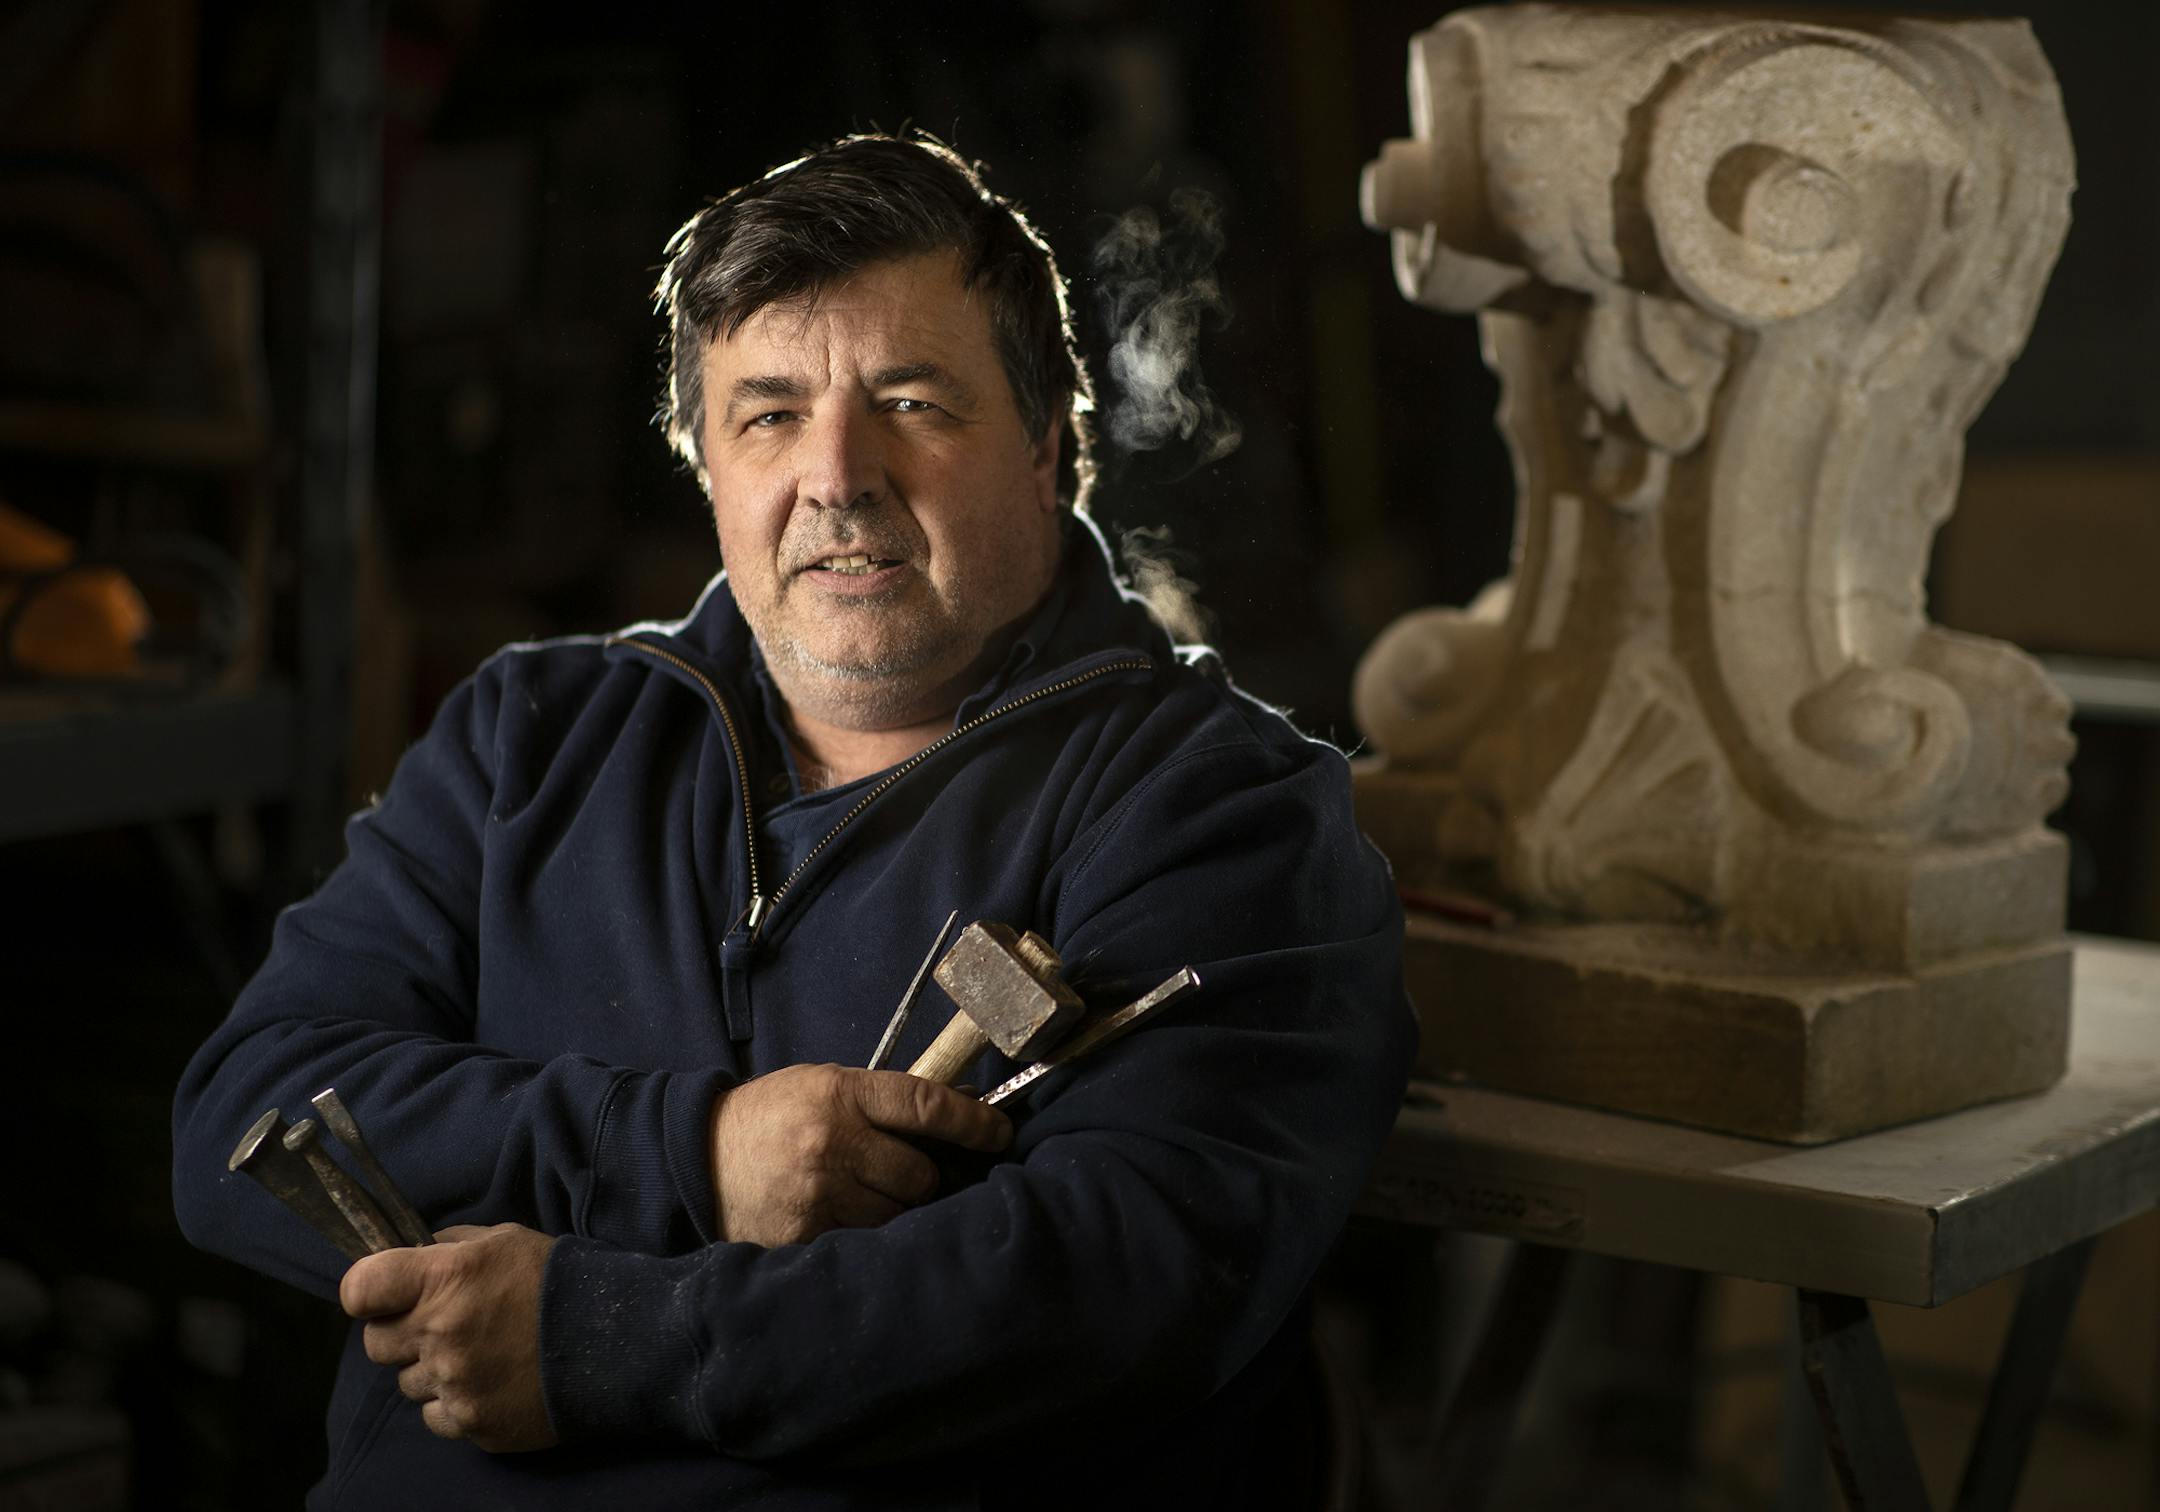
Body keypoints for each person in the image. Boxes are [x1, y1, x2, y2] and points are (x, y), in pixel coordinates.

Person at [172, 133, 1415, 1509]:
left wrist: (596, 1339)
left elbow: (1121, 1281)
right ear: (703, 464)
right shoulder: (528, 740)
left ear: (1053, 447)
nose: (838, 474)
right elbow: (245, 1121)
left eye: (914, 402)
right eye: (768, 414)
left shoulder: (1218, 809)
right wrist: (691, 1154)